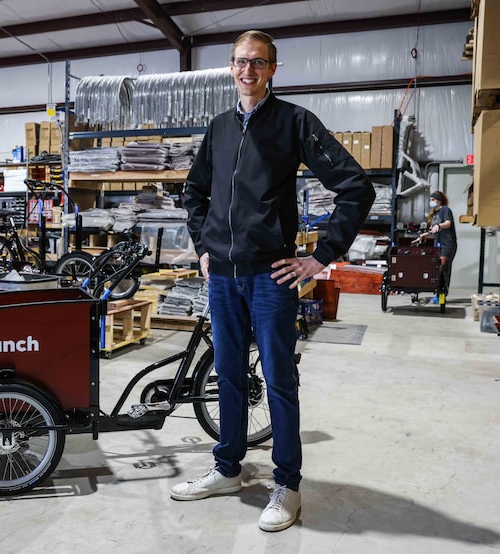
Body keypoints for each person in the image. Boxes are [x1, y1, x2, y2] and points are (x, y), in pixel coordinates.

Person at [173, 30, 376, 532]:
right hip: (222, 277)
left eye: (259, 63)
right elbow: (194, 193)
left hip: (269, 277)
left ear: (273, 69)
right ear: (231, 66)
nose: (249, 71)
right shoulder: (219, 128)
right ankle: (227, 468)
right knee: (230, 377)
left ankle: (287, 484)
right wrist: (203, 246)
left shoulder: (295, 123)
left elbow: (356, 186)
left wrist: (320, 257)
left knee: (279, 381)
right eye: (242, 62)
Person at [413, 190, 457, 301]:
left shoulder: (445, 210)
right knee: (435, 269)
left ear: (439, 201)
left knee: (444, 269)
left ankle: (442, 297)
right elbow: (433, 230)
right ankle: (438, 293)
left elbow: (448, 223)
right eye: (430, 200)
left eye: (433, 200)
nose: (431, 202)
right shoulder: (434, 214)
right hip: (437, 245)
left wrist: (439, 225)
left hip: (447, 244)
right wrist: (423, 236)